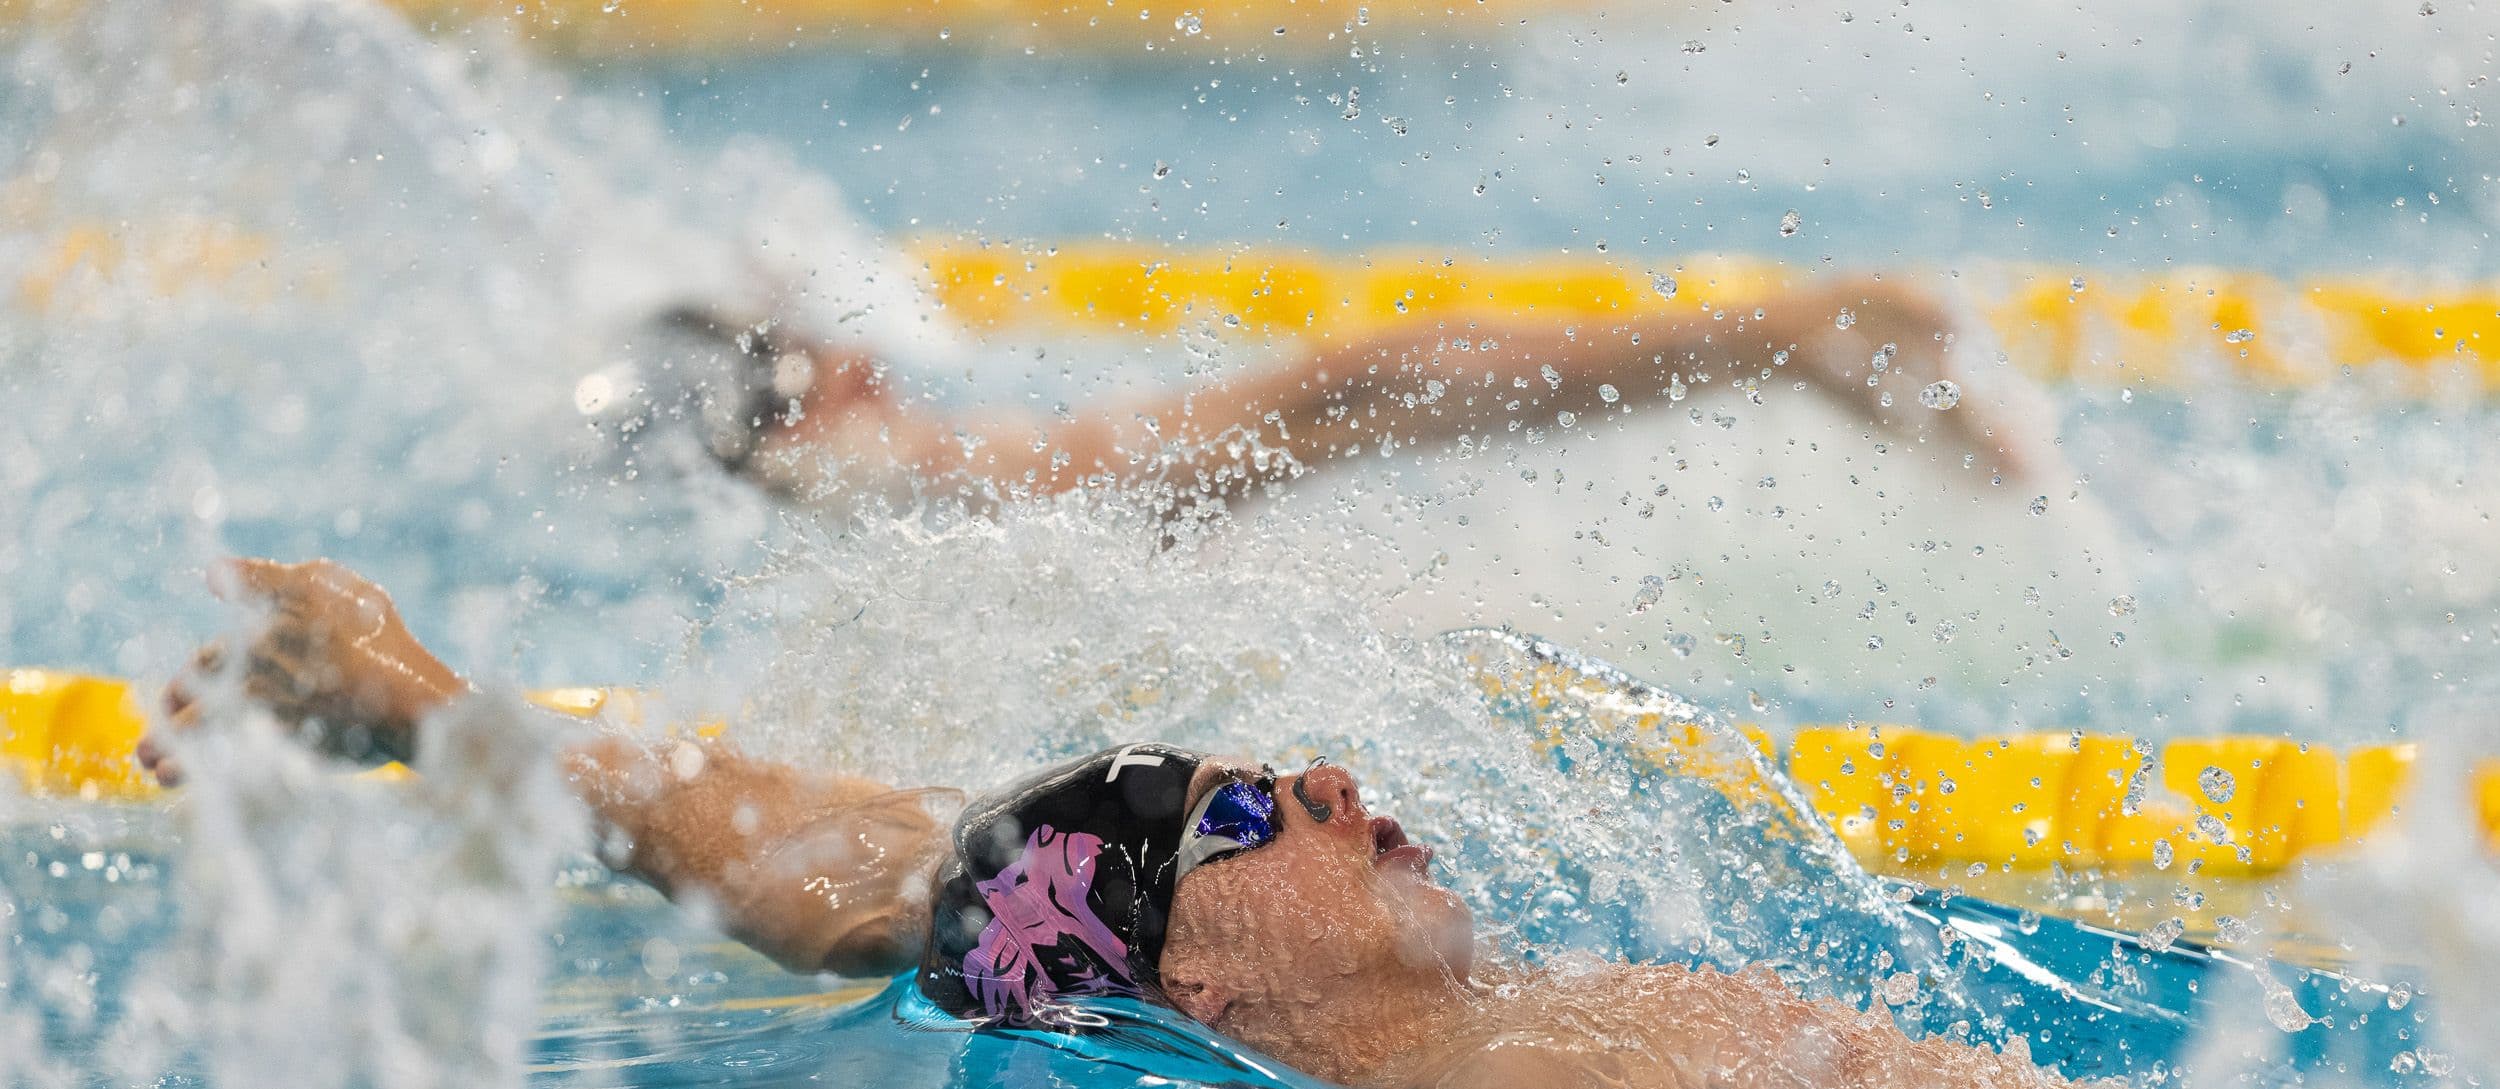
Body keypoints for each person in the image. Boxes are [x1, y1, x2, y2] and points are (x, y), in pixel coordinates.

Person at [139, 557, 2163, 1089]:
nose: (1341, 783)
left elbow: (818, 868)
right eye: (1256, 813)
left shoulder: (1383, 1033)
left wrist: (413, 695)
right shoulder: (1524, 1066)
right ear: (1191, 963)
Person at [613, 274, 2023, 513]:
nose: (854, 352)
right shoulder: (827, 465)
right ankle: (1782, 338)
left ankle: (1783, 344)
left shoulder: (834, 450)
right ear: (779, 414)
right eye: (807, 355)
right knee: (1417, 372)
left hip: (1146, 478)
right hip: (1137, 485)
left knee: (1427, 372)